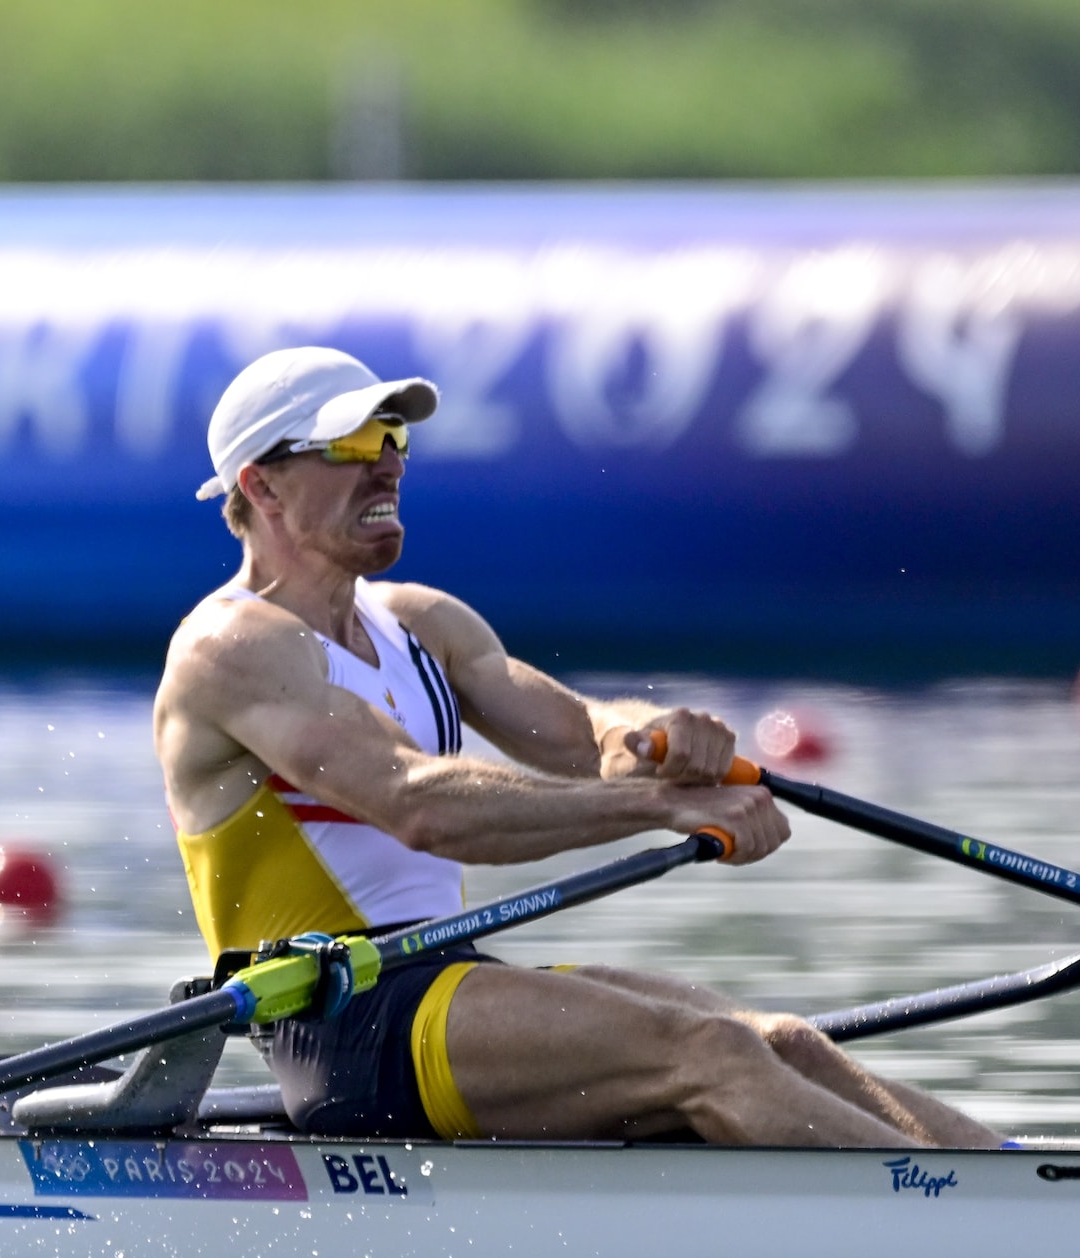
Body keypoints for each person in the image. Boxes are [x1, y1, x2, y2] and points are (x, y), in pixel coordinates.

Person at [154, 346, 999, 1150]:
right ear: (260, 485)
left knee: (781, 1041)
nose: (389, 462)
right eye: (354, 442)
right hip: (345, 1028)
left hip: (440, 983)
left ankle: (1032, 1171)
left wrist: (659, 742)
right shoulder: (230, 647)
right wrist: (662, 806)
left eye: (395, 436)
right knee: (713, 1053)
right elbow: (420, 805)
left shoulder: (420, 624)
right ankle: (980, 1221)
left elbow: (581, 739)